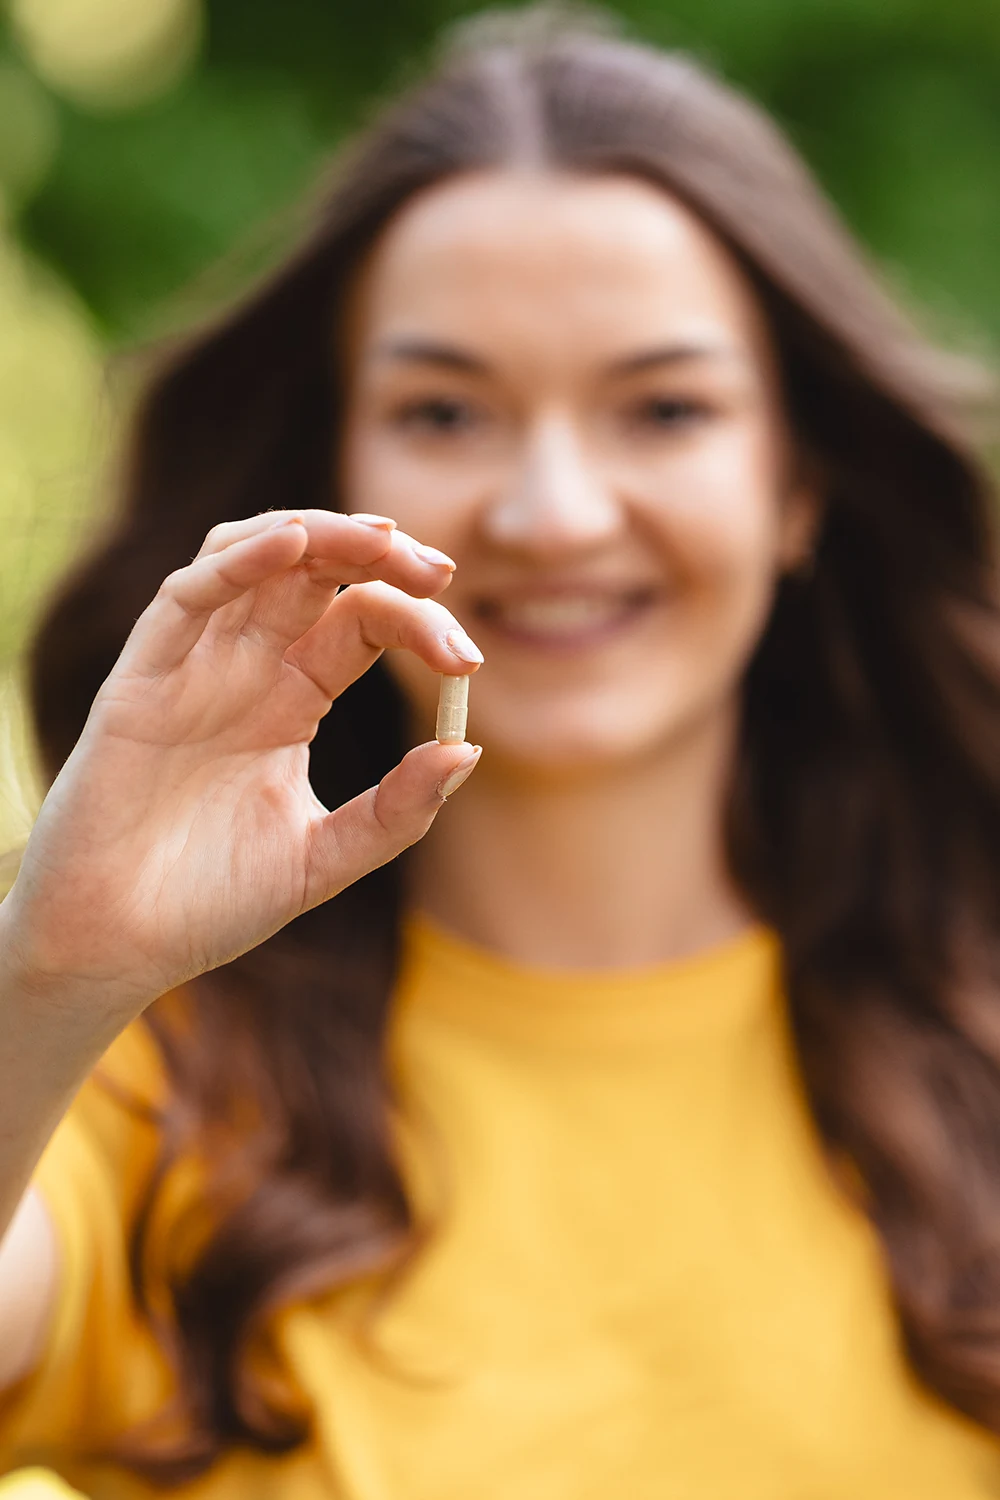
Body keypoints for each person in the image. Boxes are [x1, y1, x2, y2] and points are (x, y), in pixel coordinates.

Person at [1, 8, 1000, 1496]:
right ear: (338, 470)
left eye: (662, 408)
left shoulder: (978, 1035)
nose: (549, 513)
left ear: (799, 485)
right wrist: (53, 970)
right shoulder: (141, 1079)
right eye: (445, 409)